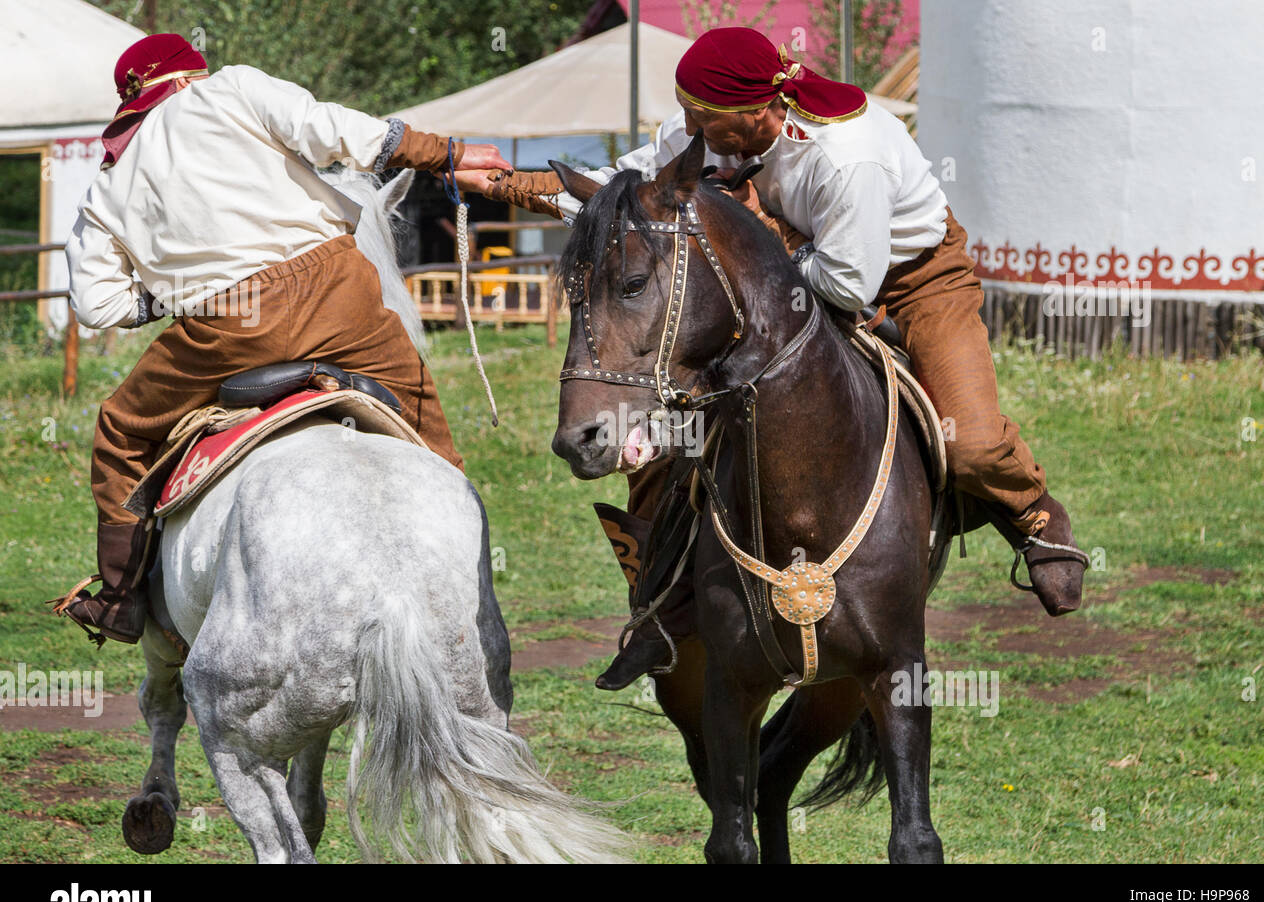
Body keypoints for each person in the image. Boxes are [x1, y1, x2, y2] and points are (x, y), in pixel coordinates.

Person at [457, 27, 1088, 688]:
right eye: (689, 113)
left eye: (706, 118)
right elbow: (632, 189)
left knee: (972, 442)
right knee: (667, 423)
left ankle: (1030, 511)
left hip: (908, 277)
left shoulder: (848, 156)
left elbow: (847, 284)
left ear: (758, 110)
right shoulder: (709, 125)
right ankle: (663, 604)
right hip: (776, 275)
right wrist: (508, 184)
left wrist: (761, 239)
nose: (691, 129)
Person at [53, 33, 512, 645]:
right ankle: (465, 570)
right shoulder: (234, 88)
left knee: (119, 430)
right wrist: (445, 153)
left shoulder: (107, 185)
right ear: (189, 76)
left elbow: (98, 304)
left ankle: (118, 600)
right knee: (423, 417)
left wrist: (180, 290)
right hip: (338, 293)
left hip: (226, 325)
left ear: (134, 105)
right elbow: (337, 131)